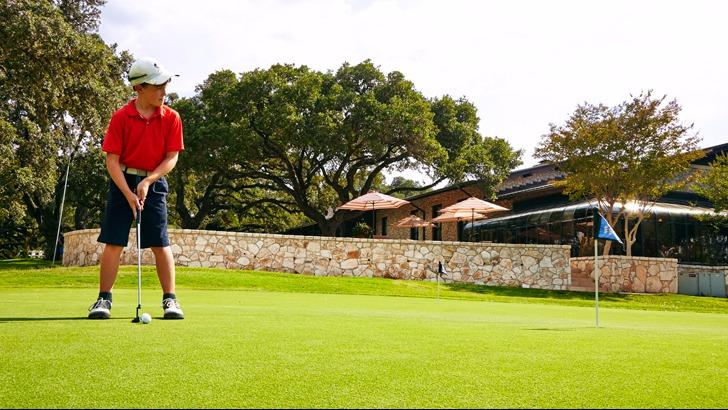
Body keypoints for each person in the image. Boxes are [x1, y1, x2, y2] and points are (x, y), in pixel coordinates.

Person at [88, 57, 184, 320]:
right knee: (114, 241)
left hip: (154, 182)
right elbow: (112, 160)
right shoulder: (121, 117)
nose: (164, 92)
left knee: (160, 242)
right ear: (138, 88)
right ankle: (103, 300)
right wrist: (128, 192)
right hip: (122, 181)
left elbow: (171, 157)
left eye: (165, 86)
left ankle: (171, 300)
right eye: (157, 87)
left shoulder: (172, 118)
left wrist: (148, 181)